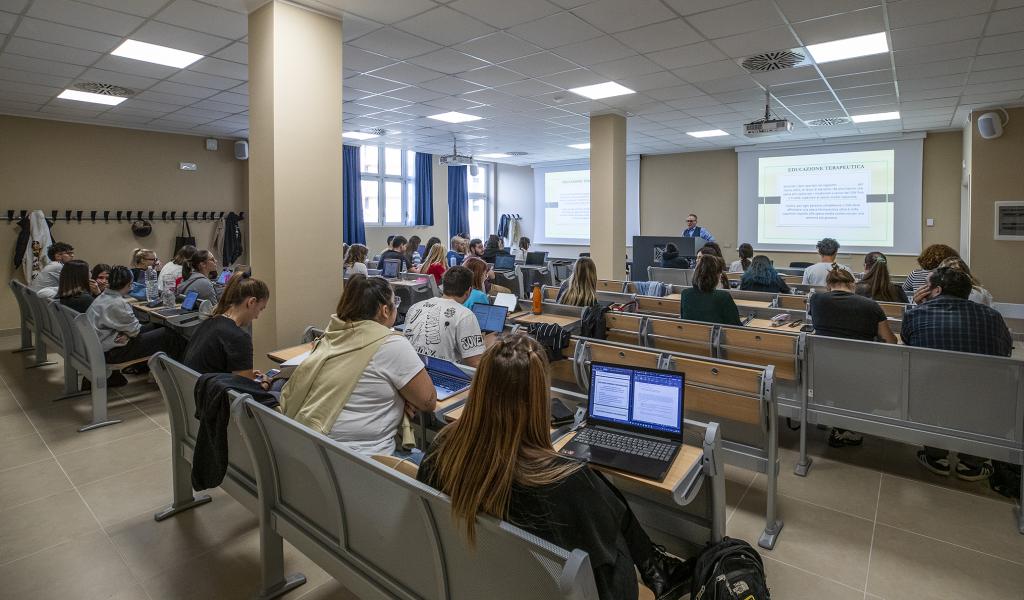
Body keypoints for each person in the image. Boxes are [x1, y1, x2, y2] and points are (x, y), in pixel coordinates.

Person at [417, 334, 692, 600]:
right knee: (605, 509)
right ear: (538, 401)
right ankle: (655, 566)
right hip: (542, 588)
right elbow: (613, 587)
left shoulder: (442, 451)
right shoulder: (567, 483)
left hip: (477, 581)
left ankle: (654, 563)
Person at [280, 275, 436, 461]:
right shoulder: (392, 344)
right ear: (385, 310)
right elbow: (428, 402)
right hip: (364, 461)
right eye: (395, 302)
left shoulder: (332, 334)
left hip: (312, 449)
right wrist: (402, 399)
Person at [903, 267, 1013, 481]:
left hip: (929, 393)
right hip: (984, 398)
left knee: (931, 385)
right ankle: (972, 463)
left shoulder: (915, 314)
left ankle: (936, 456)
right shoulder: (992, 317)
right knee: (980, 392)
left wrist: (920, 306)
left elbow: (910, 345)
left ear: (935, 290)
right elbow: (1005, 351)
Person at [808, 264, 897, 448]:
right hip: (860, 371)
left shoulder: (816, 300)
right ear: (853, 284)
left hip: (824, 367)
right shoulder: (871, 306)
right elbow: (890, 340)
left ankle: (842, 426)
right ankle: (845, 427)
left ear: (828, 285)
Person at [86, 266, 186, 364]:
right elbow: (135, 332)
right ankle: (182, 367)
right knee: (168, 335)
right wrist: (128, 335)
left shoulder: (103, 296)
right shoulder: (118, 303)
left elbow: (129, 329)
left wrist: (126, 334)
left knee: (156, 326)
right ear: (129, 284)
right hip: (110, 353)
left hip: (100, 344)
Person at [183, 273, 269, 377]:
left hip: (194, 387)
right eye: (260, 309)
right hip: (212, 391)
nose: (257, 317)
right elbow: (244, 387)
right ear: (251, 302)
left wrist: (247, 374)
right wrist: (265, 382)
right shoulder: (239, 338)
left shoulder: (208, 322)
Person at [403, 266, 486, 366]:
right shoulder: (465, 315)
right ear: (469, 291)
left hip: (410, 370)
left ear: (443, 287)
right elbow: (475, 363)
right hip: (442, 377)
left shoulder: (415, 307)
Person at [680, 256, 740, 325]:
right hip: (714, 335)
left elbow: (683, 319)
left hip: (690, 334)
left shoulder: (685, 294)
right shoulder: (723, 296)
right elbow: (736, 325)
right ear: (716, 276)